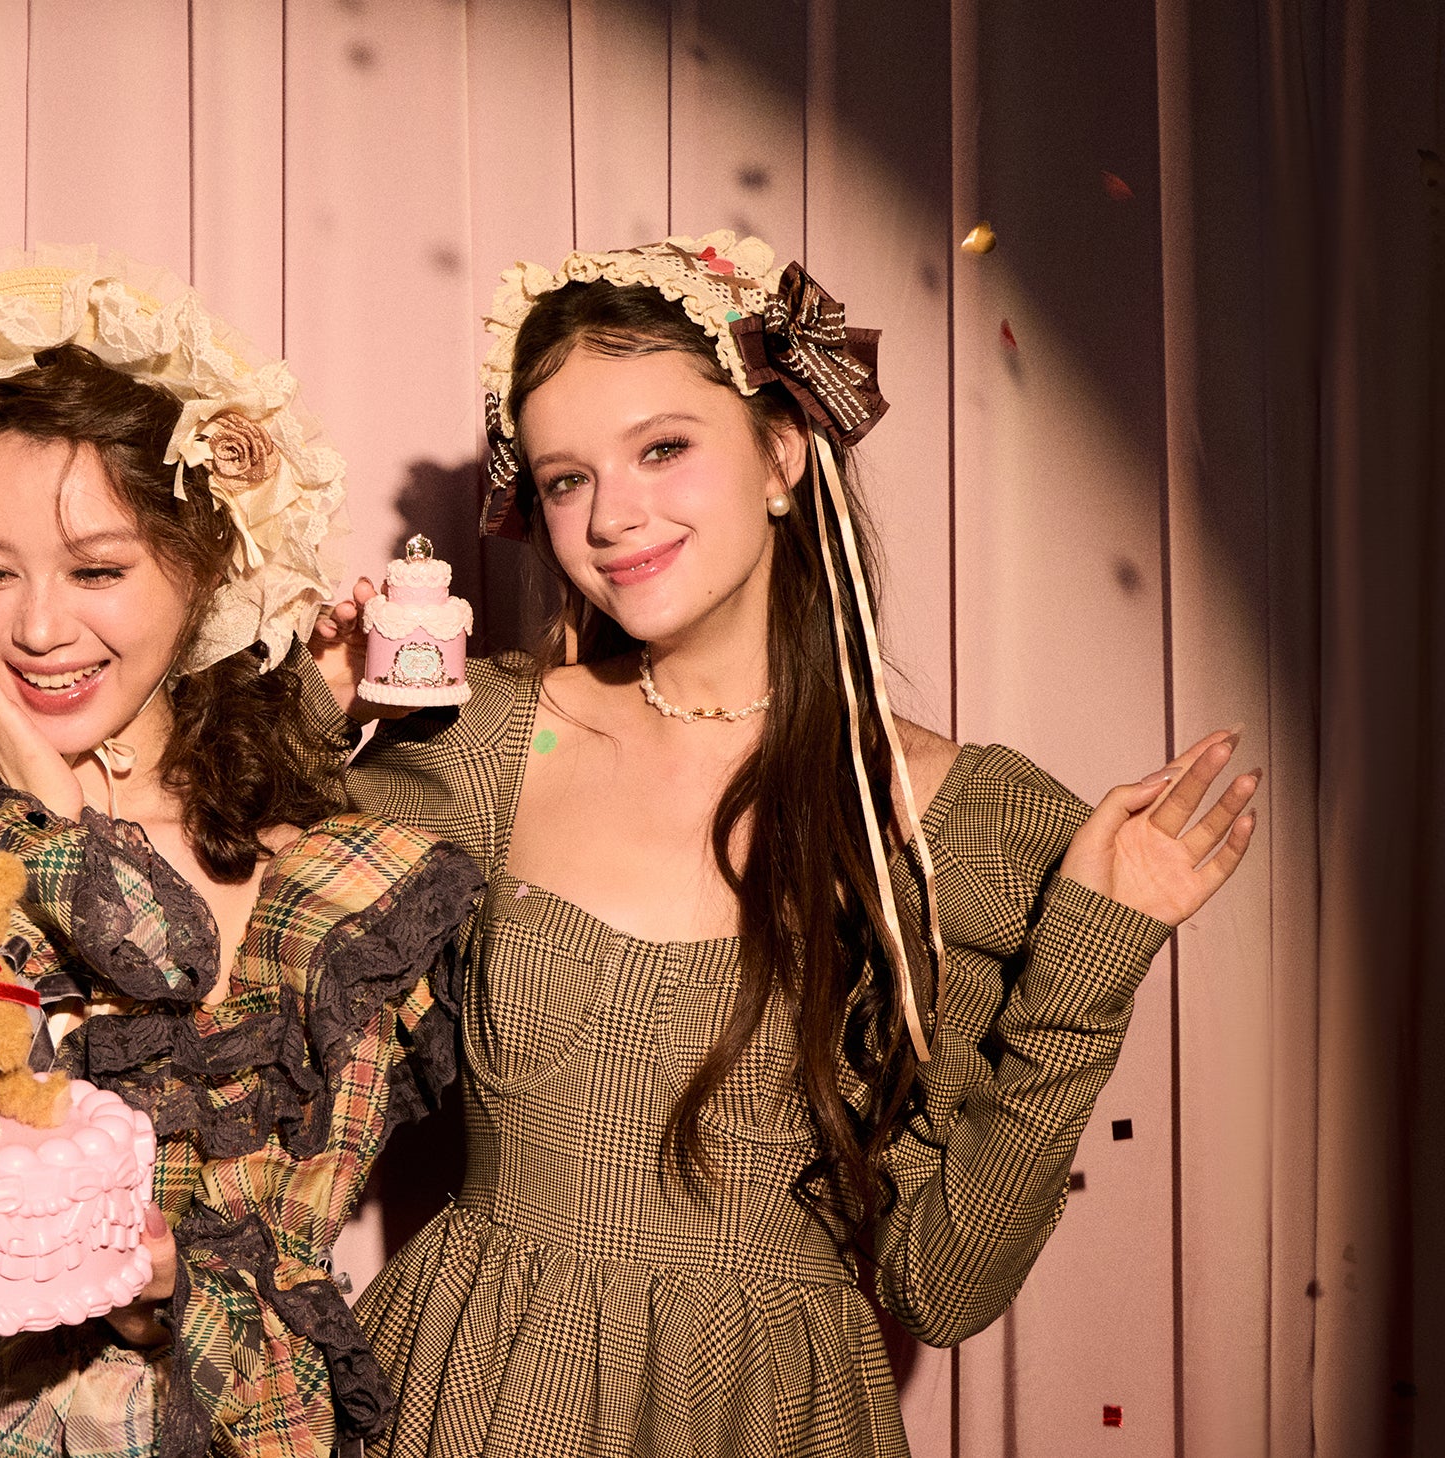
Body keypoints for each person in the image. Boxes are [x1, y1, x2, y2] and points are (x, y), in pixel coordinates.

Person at [303, 235, 1264, 1457]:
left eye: (663, 448)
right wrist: (310, 708)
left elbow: (943, 1286)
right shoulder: (489, 737)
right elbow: (225, 969)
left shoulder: (946, 819)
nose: (612, 515)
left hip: (769, 1415)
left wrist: (1087, 968)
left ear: (781, 454)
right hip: (478, 1397)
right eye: (565, 478)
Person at [0, 248, 480, 1456]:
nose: (39, 628)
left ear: (205, 569)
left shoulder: (326, 883)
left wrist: (167, 1300)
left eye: (99, 569)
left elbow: (283, 1278)